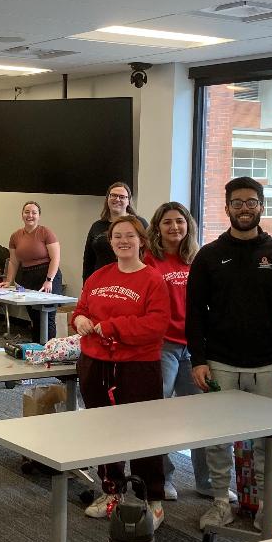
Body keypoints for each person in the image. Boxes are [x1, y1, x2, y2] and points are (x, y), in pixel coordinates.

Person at [186, 177, 272, 531]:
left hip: (269, 365)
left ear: (261, 207)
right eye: (237, 203)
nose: (244, 209)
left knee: (271, 440)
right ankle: (222, 499)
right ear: (227, 209)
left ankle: (268, 505)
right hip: (220, 363)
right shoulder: (208, 256)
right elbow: (195, 314)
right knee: (218, 436)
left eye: (251, 202)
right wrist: (199, 360)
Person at [72, 215, 170, 525]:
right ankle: (111, 490)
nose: (123, 241)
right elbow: (80, 310)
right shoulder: (99, 276)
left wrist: (110, 327)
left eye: (130, 236)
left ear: (142, 241)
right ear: (110, 242)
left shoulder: (153, 280)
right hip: (95, 363)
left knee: (142, 431)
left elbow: (155, 326)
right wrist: (79, 321)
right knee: (104, 430)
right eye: (117, 236)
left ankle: (150, 499)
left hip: (137, 366)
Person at [143, 201, 207, 502]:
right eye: (167, 222)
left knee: (201, 416)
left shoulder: (198, 259)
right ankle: (162, 478)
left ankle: (207, 482)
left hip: (194, 348)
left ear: (188, 225)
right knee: (158, 416)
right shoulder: (149, 261)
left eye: (179, 221)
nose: (174, 227)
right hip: (163, 346)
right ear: (158, 228)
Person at [3, 200, 62, 342]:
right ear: (22, 215)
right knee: (35, 318)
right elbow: (13, 261)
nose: (30, 215)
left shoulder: (45, 232)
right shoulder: (15, 236)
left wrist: (49, 280)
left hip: (47, 276)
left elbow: (55, 258)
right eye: (27, 212)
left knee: (47, 317)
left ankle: (48, 350)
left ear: (39, 216)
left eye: (34, 212)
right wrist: (8, 281)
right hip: (27, 277)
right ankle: (37, 349)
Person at [82, 181, 147, 285]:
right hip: (101, 281)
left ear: (128, 201)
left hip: (132, 280)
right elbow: (88, 260)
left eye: (122, 197)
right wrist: (86, 285)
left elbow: (149, 253)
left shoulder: (140, 223)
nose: (117, 199)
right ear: (107, 199)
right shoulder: (96, 226)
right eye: (114, 195)